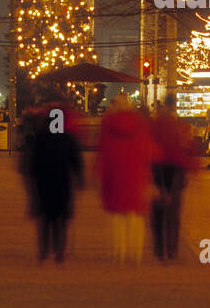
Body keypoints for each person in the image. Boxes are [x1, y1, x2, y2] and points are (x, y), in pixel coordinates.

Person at [22, 107, 84, 262]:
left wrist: (31, 180)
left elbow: (32, 163)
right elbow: (76, 162)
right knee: (61, 219)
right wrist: (79, 179)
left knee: (45, 219)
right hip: (63, 182)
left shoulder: (39, 138)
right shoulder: (68, 138)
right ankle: (60, 250)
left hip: (43, 183)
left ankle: (43, 249)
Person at [97, 94, 153, 264]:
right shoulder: (140, 124)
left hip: (115, 175)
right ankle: (135, 252)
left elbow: (104, 153)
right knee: (136, 216)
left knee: (118, 217)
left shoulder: (108, 125)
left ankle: (119, 251)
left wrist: (100, 175)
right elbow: (148, 150)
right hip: (136, 175)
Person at [150, 94, 194, 260]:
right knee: (174, 212)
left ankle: (160, 249)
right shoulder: (181, 125)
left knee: (159, 211)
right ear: (174, 105)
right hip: (176, 169)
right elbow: (186, 148)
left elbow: (150, 145)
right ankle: (172, 249)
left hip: (159, 168)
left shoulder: (157, 123)